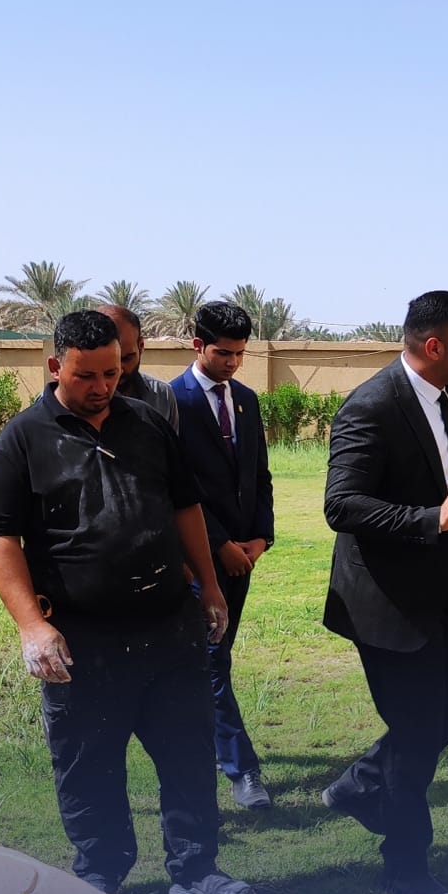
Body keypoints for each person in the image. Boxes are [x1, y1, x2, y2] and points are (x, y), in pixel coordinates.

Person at [0, 310, 250, 894]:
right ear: (56, 366)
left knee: (187, 755)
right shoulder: (22, 440)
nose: (102, 386)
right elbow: (0, 539)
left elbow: (186, 509)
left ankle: (195, 871)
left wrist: (208, 586)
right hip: (83, 639)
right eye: (86, 375)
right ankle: (100, 877)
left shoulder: (148, 424)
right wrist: (32, 627)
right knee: (88, 765)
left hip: (168, 628)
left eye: (112, 371)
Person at [318, 290, 448, 894]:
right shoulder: (371, 407)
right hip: (390, 602)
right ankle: (405, 867)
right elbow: (342, 505)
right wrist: (433, 521)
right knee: (415, 730)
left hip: (446, 588)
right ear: (434, 346)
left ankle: (359, 785)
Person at [170, 301, 275, 811]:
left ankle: (199, 743)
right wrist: (217, 545)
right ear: (198, 345)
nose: (232, 363)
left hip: (242, 559)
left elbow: (259, 477)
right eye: (223, 353)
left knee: (215, 660)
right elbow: (174, 488)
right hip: (198, 561)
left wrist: (261, 538)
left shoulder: (247, 401)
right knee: (211, 663)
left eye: (239, 354)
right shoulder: (172, 402)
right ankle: (242, 770)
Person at [96, 303, 179, 429]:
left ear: (141, 346)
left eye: (126, 358)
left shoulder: (162, 395)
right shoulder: (79, 398)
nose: (120, 369)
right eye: (109, 362)